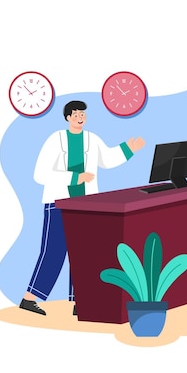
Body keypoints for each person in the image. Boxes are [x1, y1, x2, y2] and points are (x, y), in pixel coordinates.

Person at [19, 100, 146, 316]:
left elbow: (106, 159)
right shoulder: (55, 140)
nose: (80, 117)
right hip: (58, 204)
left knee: (85, 253)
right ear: (67, 117)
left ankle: (81, 301)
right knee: (53, 253)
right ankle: (29, 298)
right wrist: (76, 177)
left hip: (86, 206)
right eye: (76, 113)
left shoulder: (91, 139)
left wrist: (128, 149)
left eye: (83, 113)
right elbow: (39, 174)